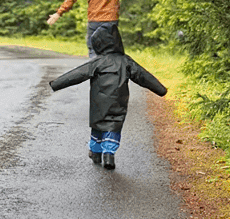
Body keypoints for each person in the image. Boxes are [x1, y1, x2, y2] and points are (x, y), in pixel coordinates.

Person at [49, 22, 167, 169]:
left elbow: (77, 74)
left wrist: (56, 84)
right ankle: (109, 155)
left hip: (99, 103)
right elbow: (144, 76)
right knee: (113, 127)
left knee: (98, 127)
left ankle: (96, 152)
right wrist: (161, 90)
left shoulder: (98, 62)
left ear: (100, 44)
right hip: (119, 102)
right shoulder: (126, 61)